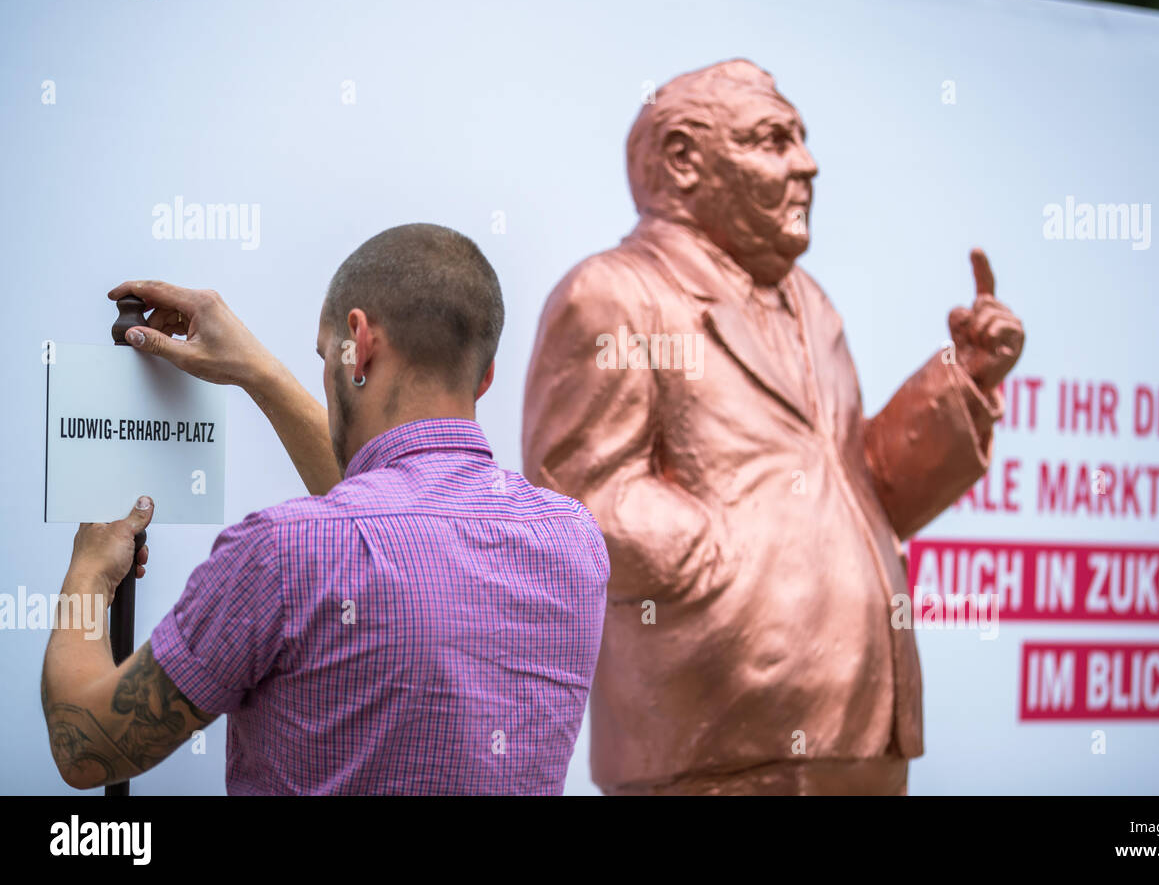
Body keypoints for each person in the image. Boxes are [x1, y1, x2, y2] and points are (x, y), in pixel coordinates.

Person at [522, 59, 1025, 794]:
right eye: (772, 140)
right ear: (684, 160)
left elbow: (859, 487)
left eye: (802, 140)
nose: (807, 163)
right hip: (716, 737)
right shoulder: (613, 294)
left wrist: (964, 379)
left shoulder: (809, 303)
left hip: (861, 728)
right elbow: (577, 503)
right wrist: (734, 561)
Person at [41, 223, 609, 794]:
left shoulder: (280, 554)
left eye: (323, 354)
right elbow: (392, 516)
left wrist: (89, 572)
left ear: (357, 343)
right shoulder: (574, 540)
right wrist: (259, 373)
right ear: (485, 374)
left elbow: (87, 747)